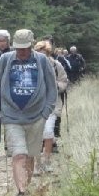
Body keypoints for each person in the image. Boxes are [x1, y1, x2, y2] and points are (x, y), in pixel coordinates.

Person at [0, 29, 57, 196]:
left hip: (36, 117)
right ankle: (22, 193)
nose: (22, 52)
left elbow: (52, 89)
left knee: (30, 156)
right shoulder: (5, 59)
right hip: (11, 116)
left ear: (31, 45)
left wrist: (46, 112)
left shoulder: (42, 61)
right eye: (18, 48)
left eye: (25, 48)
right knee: (19, 154)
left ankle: (25, 190)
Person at [33, 40, 68, 169]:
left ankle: (46, 160)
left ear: (48, 53)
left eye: (44, 53)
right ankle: (37, 162)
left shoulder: (56, 65)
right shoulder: (31, 66)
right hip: (34, 106)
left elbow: (64, 81)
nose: (42, 56)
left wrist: (56, 86)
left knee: (48, 132)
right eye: (39, 53)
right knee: (36, 134)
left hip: (52, 104)